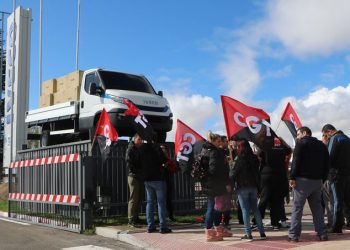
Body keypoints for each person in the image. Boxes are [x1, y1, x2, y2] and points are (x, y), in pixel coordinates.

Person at [288, 126, 329, 242]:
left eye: (298, 134)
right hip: (317, 181)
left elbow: (296, 161)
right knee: (317, 208)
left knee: (297, 208)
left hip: (302, 181)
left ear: (305, 133)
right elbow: (327, 164)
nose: (297, 137)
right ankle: (322, 233)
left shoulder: (300, 144)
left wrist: (292, 177)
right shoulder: (322, 145)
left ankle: (293, 235)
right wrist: (323, 179)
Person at [230, 139, 266, 241]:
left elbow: (233, 173)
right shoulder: (254, 158)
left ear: (240, 147)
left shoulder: (240, 159)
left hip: (242, 187)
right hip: (254, 187)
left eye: (238, 146)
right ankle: (262, 233)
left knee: (245, 210)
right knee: (255, 209)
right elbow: (257, 174)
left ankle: (248, 234)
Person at [200, 131, 232, 241]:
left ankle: (216, 229)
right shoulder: (213, 152)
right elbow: (214, 170)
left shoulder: (204, 150)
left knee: (214, 207)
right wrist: (225, 182)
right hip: (214, 185)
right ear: (212, 141)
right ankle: (210, 232)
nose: (220, 143)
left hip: (207, 183)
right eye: (218, 141)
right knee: (213, 208)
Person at [139, 136, 172, 234]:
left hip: (147, 179)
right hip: (158, 178)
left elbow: (139, 162)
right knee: (160, 203)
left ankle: (150, 226)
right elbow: (165, 161)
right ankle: (163, 227)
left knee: (149, 203)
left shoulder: (142, 149)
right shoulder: (157, 148)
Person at [321, 124, 350, 234]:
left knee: (336, 201)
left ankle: (337, 226)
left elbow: (329, 157)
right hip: (347, 173)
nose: (325, 136)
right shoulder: (347, 138)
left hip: (335, 174)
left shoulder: (334, 138)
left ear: (329, 131)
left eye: (324, 134)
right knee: (347, 200)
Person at [126, 133, 143, 227]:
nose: (141, 141)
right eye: (139, 139)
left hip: (139, 176)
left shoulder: (138, 149)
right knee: (133, 198)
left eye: (142, 140)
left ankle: (136, 217)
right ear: (135, 139)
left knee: (139, 198)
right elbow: (129, 162)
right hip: (133, 176)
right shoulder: (131, 148)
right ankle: (130, 219)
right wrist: (137, 171)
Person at [160, 144, 177, 222]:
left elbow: (174, 169)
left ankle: (170, 215)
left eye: (163, 148)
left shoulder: (168, 159)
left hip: (168, 181)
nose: (162, 150)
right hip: (159, 181)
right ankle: (160, 217)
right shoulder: (157, 158)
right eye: (161, 149)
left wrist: (168, 165)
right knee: (159, 200)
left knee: (168, 199)